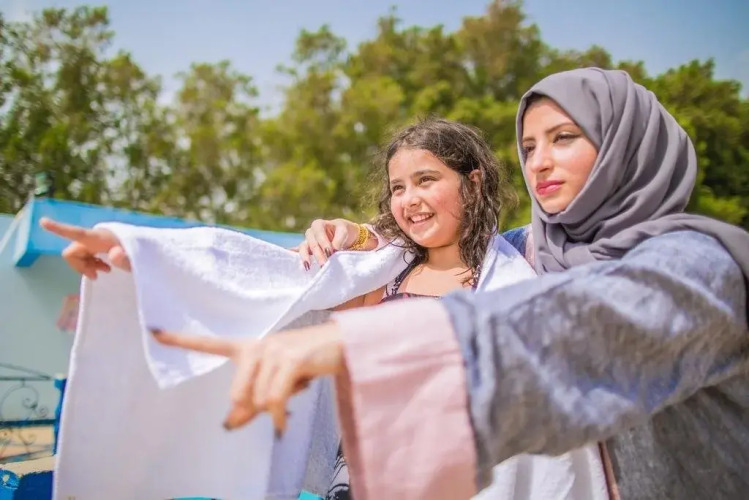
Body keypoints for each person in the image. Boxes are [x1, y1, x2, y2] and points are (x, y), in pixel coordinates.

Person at [151, 67, 749, 500]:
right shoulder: (536, 248)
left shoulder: (701, 267)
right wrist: (152, 265)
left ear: (626, 144)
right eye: (528, 146)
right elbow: (413, 251)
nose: (539, 162)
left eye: (564, 137)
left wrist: (368, 342)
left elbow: (572, 325)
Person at [47, 119, 609, 499]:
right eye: (398, 187)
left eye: (427, 180)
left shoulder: (516, 270)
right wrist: (139, 256)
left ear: (473, 181)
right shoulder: (380, 274)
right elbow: (260, 283)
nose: (409, 200)